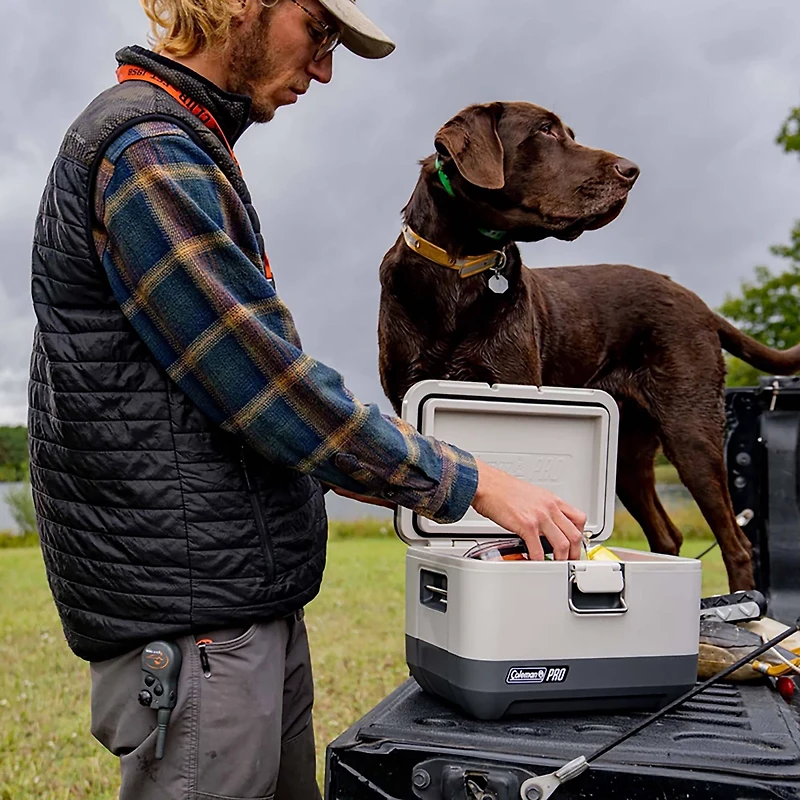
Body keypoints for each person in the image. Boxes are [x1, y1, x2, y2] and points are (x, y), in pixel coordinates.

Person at [28, 1, 587, 797]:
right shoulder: (150, 152)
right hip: (196, 625)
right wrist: (477, 482)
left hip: (237, 604)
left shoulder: (187, 140)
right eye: (317, 34)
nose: (323, 69)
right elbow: (268, 388)